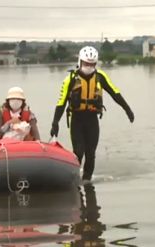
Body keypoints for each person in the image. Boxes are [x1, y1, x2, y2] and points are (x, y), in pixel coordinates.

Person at [50, 46, 134, 182]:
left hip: (92, 120)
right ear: (80, 61)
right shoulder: (70, 79)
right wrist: (55, 123)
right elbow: (61, 102)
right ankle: (75, 178)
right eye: (86, 64)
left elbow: (115, 93)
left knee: (90, 153)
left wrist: (127, 109)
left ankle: (87, 181)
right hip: (77, 120)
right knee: (78, 152)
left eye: (92, 64)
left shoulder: (100, 76)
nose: (89, 67)